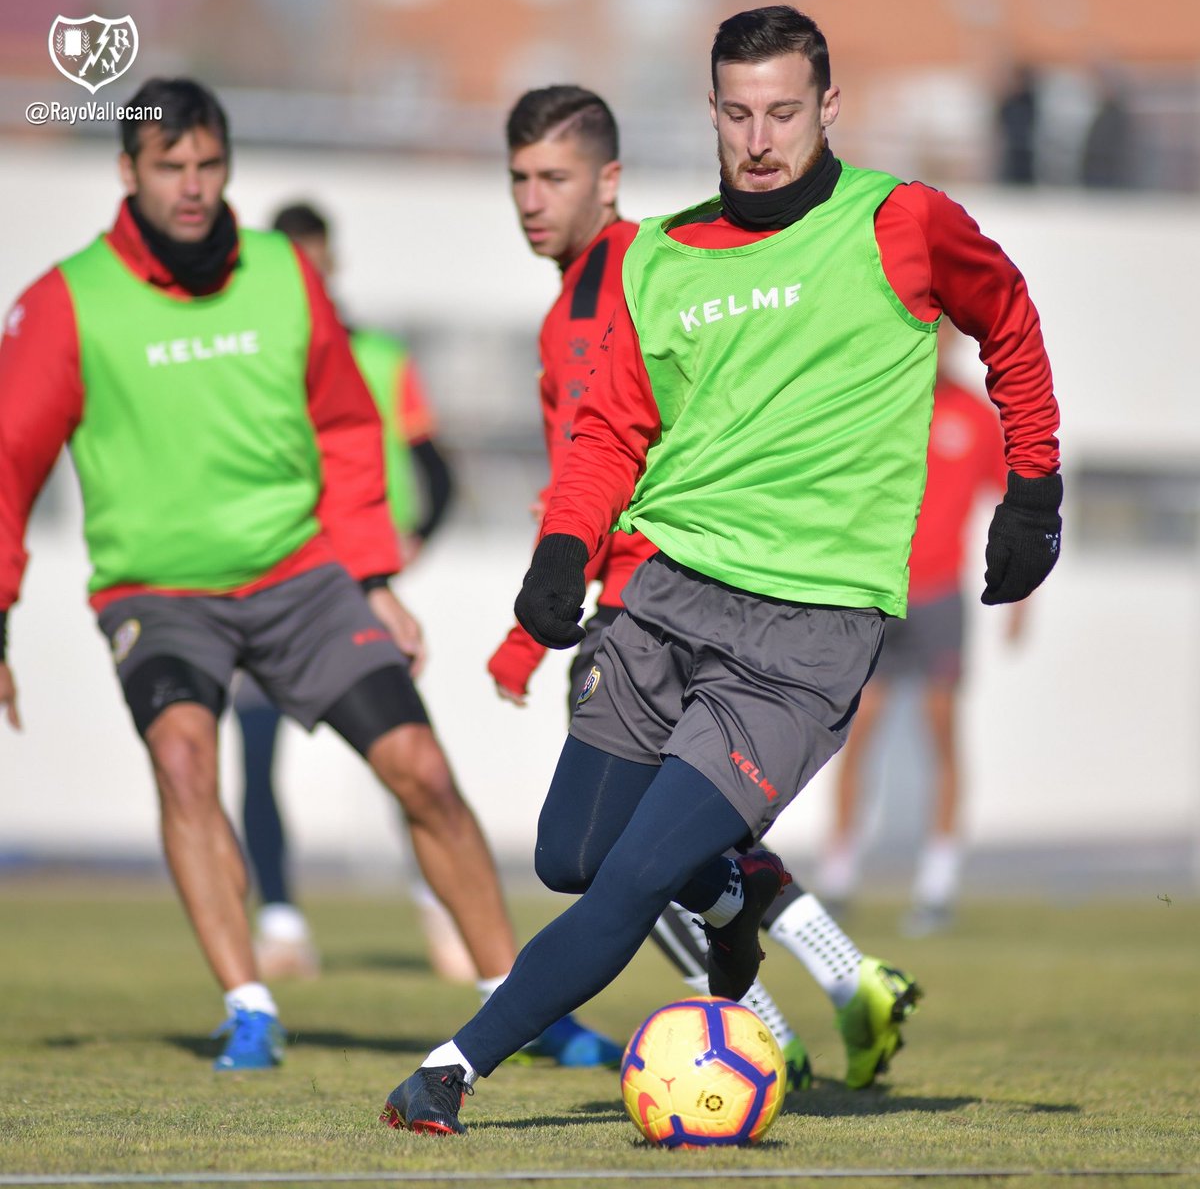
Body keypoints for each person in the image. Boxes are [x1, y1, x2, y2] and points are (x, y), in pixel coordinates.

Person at [378, 3, 1062, 1134]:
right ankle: (737, 888)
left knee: (633, 879)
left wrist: (1033, 485)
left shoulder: (902, 221)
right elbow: (608, 433)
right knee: (572, 855)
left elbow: (1012, 321)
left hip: (806, 634)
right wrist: (559, 552)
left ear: (828, 107)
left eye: (784, 111)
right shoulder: (662, 256)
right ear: (709, 114)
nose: (760, 138)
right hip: (662, 596)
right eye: (738, 113)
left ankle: (453, 1069)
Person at [0, 77, 618, 1073]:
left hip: (303, 582)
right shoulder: (66, 300)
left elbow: (345, 425)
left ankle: (524, 1004)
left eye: (210, 166)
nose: (194, 188)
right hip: (158, 595)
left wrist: (373, 574)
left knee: (421, 769)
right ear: (129, 173)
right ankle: (249, 1006)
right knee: (186, 761)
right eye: (171, 168)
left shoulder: (285, 274)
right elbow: (8, 462)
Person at [486, 84, 923, 1093]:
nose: (531, 201)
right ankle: (842, 974)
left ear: (609, 181)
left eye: (553, 177)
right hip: (662, 592)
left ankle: (762, 1031)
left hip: (669, 598)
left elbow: (624, 454)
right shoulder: (579, 305)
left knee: (621, 862)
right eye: (518, 179)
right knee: (665, 848)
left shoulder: (644, 275)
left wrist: (537, 629)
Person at [231, 201, 466, 983]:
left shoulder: (378, 357)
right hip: (268, 586)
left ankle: (440, 911)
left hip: (358, 593)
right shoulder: (246, 358)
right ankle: (281, 922)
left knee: (404, 755)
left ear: (332, 267)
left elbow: (435, 470)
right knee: (257, 755)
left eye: (316, 263)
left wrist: (402, 553)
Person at [818, 330, 1026, 935]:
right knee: (856, 734)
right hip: (878, 596)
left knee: (941, 733)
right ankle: (839, 875)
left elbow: (1012, 503)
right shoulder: (879, 402)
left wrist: (1020, 595)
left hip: (940, 598)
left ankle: (938, 884)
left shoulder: (974, 417)